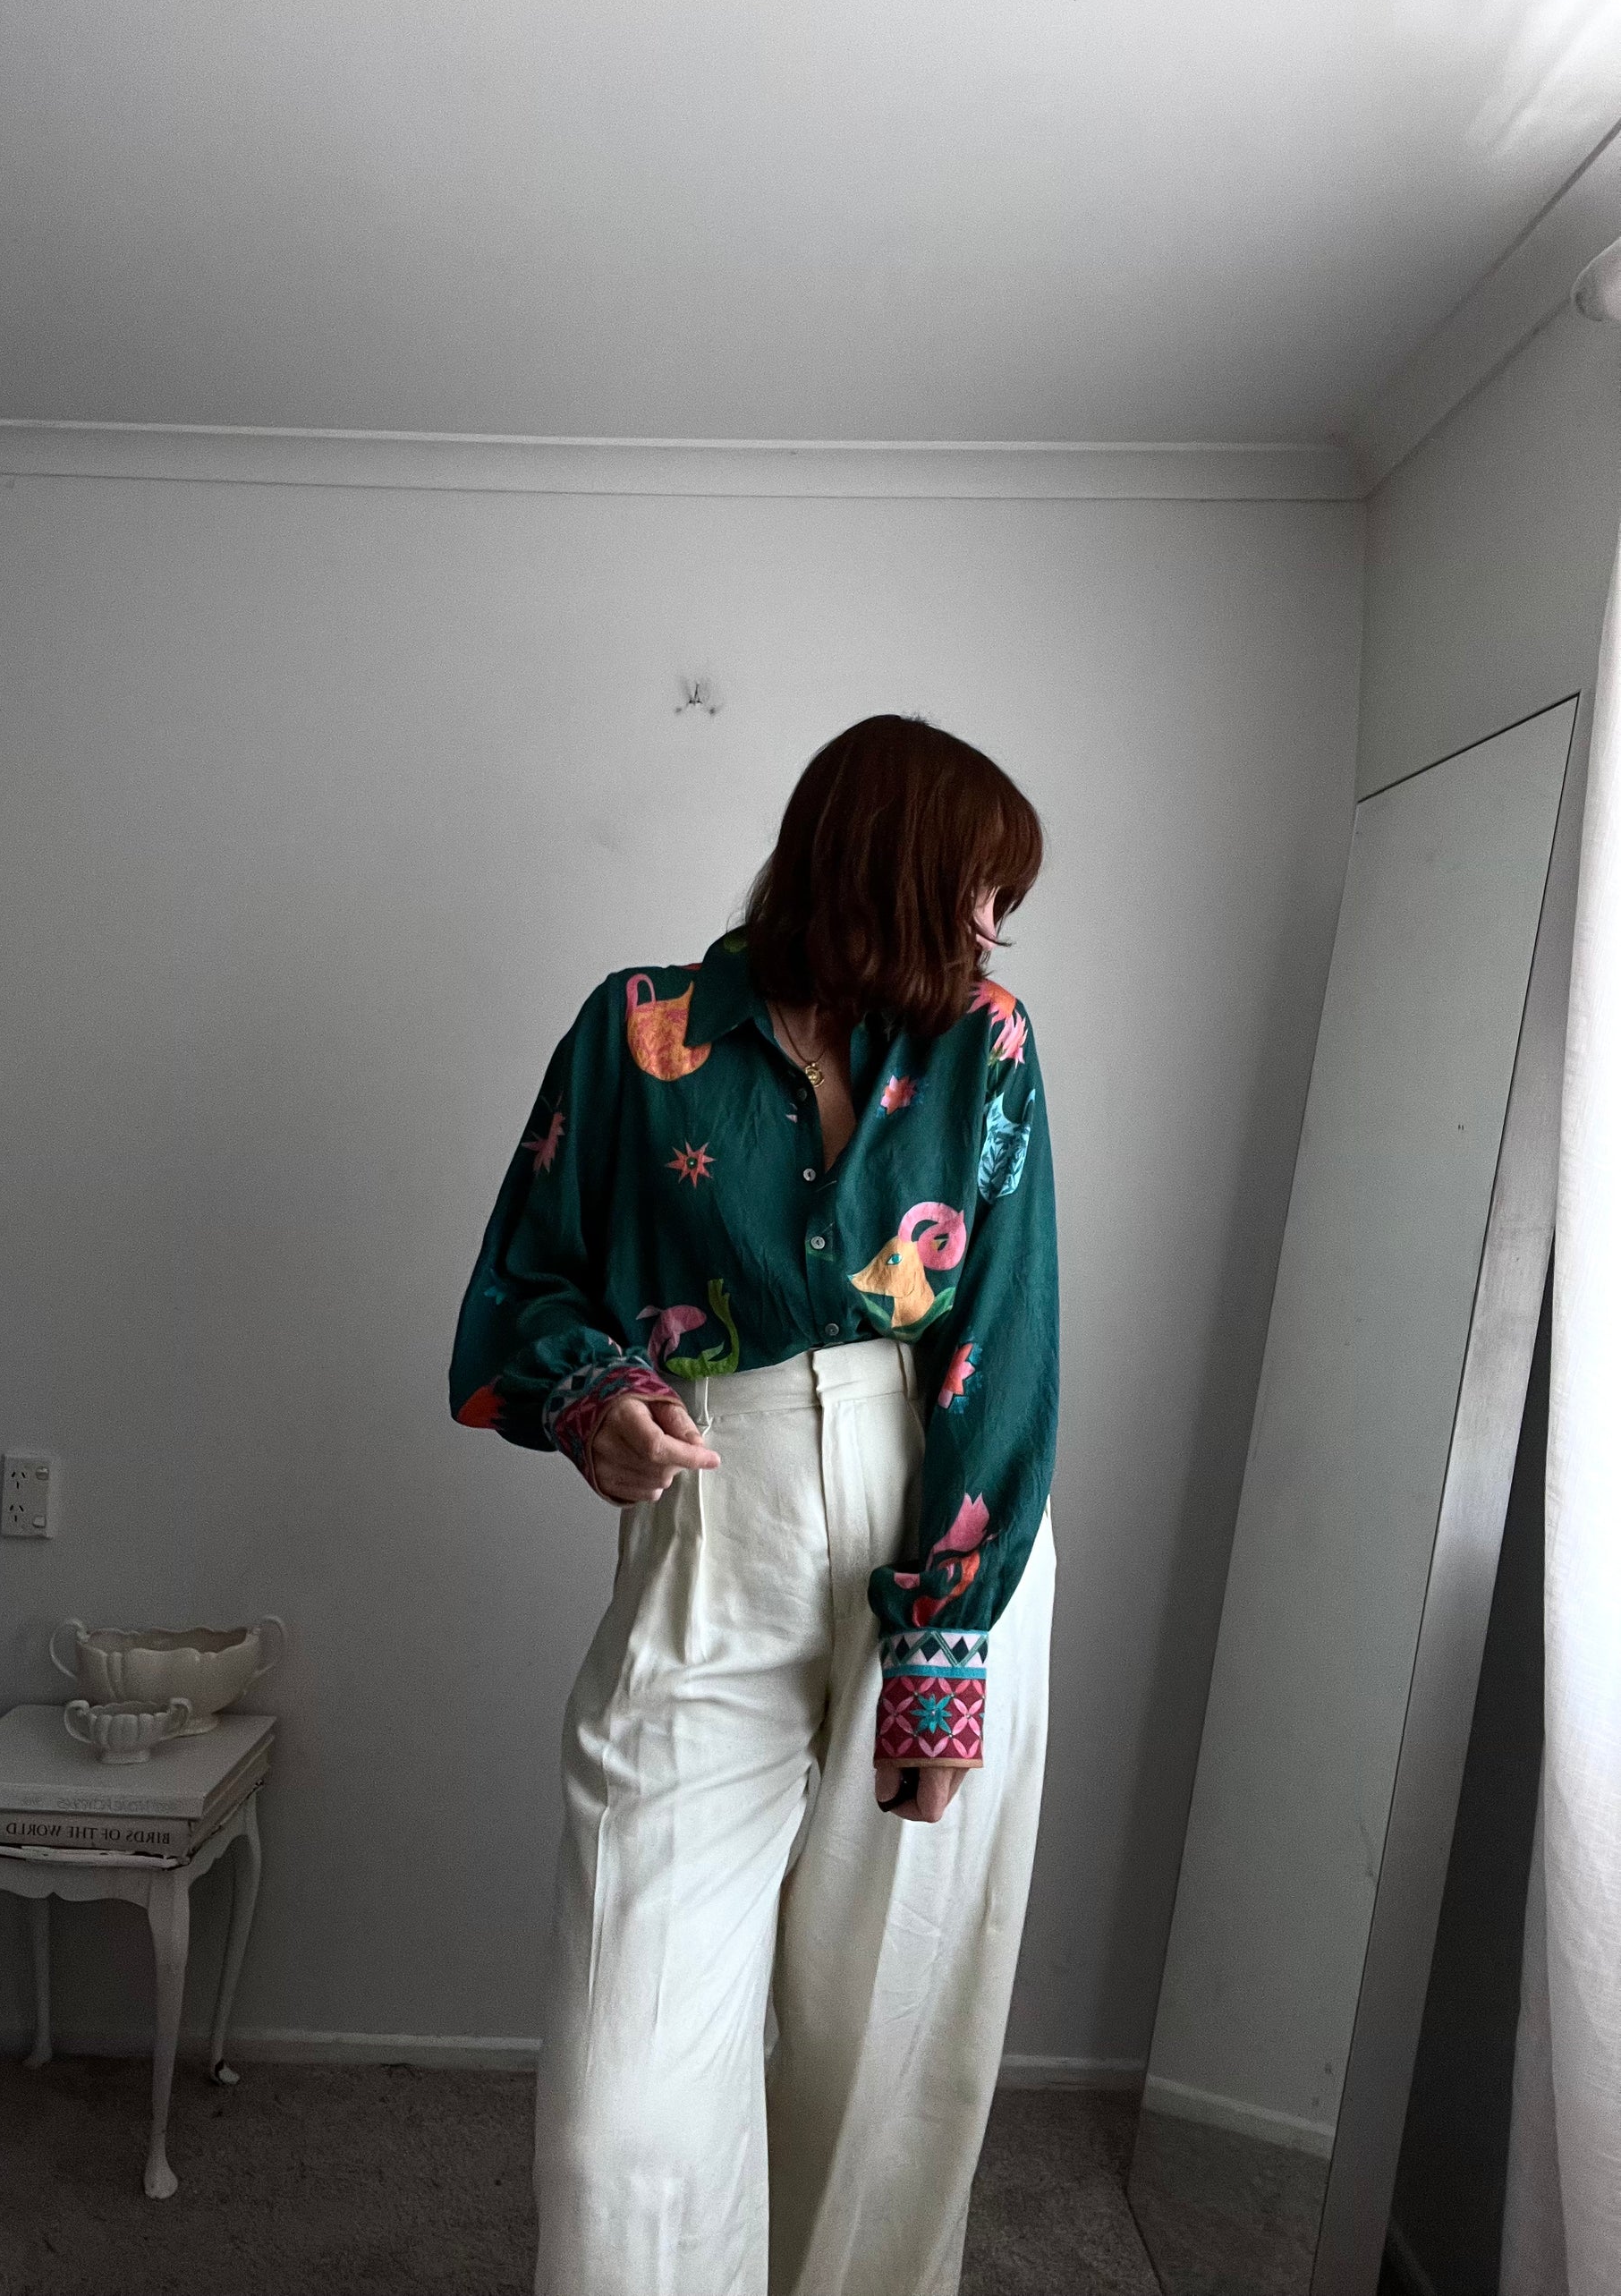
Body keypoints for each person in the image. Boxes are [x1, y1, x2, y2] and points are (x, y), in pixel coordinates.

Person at [449, 711, 1061, 2296]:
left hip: (941, 1537)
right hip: (716, 1520)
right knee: (621, 2112)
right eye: (977, 887)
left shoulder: (983, 1044)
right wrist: (597, 1400)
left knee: (882, 2054)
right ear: (883, 863)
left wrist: (943, 1649)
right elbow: (527, 1284)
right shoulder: (636, 1030)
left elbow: (1003, 1340)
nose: (994, 927)